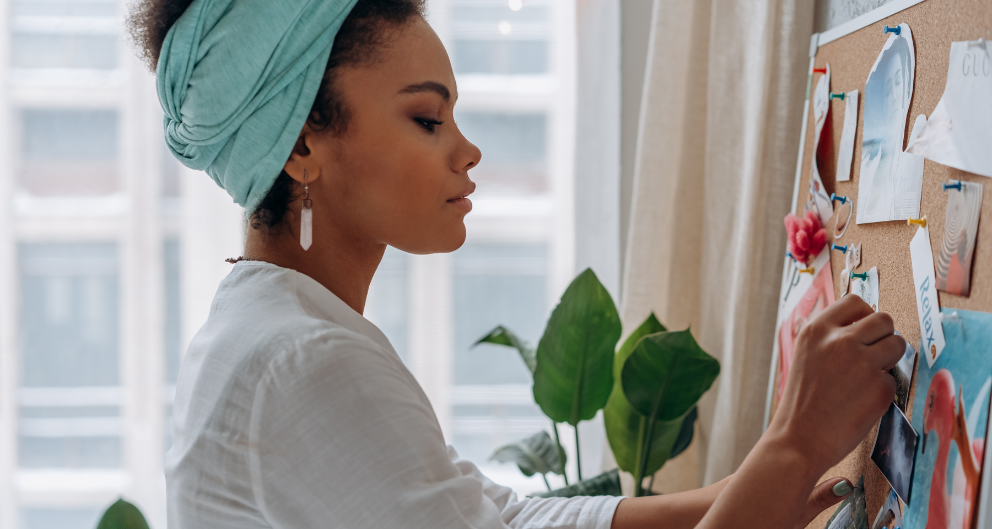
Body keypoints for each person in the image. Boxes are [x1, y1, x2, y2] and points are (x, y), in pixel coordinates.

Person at [127, 0, 907, 527]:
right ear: (303, 145)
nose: (467, 151)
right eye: (427, 118)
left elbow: (498, 515)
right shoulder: (303, 360)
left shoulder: (272, 327)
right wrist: (793, 443)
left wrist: (753, 488)